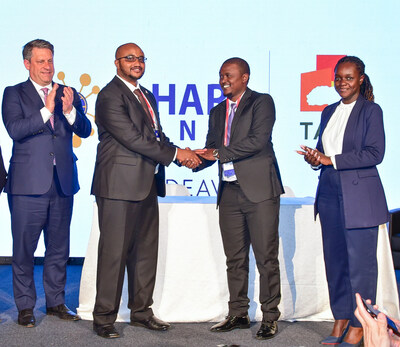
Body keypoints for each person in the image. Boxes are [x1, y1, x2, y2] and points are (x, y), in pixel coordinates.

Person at [91, 42, 201, 339]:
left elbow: (155, 135)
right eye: (130, 58)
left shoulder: (147, 95)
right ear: (117, 63)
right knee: (114, 253)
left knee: (145, 253)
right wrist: (178, 154)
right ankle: (103, 317)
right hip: (117, 186)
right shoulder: (110, 95)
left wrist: (189, 154)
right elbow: (133, 138)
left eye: (140, 58)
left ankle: (141, 312)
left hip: (147, 183)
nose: (136, 62)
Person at [297, 56, 389, 346]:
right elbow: (326, 151)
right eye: (338, 77)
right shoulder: (328, 111)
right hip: (329, 193)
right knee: (335, 262)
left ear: (361, 79)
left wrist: (330, 159)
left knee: (360, 267)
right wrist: (317, 158)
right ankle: (340, 318)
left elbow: (375, 153)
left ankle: (360, 325)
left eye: (349, 78)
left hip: (360, 197)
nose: (342, 83)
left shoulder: (371, 111)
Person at [2, 39, 92, 327]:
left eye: (50, 60)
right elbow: (15, 130)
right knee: (24, 250)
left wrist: (68, 111)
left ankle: (55, 302)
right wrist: (45, 110)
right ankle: (26, 307)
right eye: (41, 61)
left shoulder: (68, 93)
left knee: (58, 248)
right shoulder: (13, 93)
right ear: (27, 63)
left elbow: (86, 129)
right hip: (27, 185)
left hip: (62, 182)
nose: (48, 66)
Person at [194, 57, 284, 340]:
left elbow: (258, 141)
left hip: (259, 191)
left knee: (266, 258)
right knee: (234, 258)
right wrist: (193, 159)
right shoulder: (217, 111)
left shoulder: (262, 102)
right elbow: (212, 149)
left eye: (229, 75)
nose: (224, 80)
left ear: (245, 77)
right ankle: (238, 313)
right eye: (221, 75)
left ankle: (270, 317)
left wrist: (218, 153)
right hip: (229, 191)